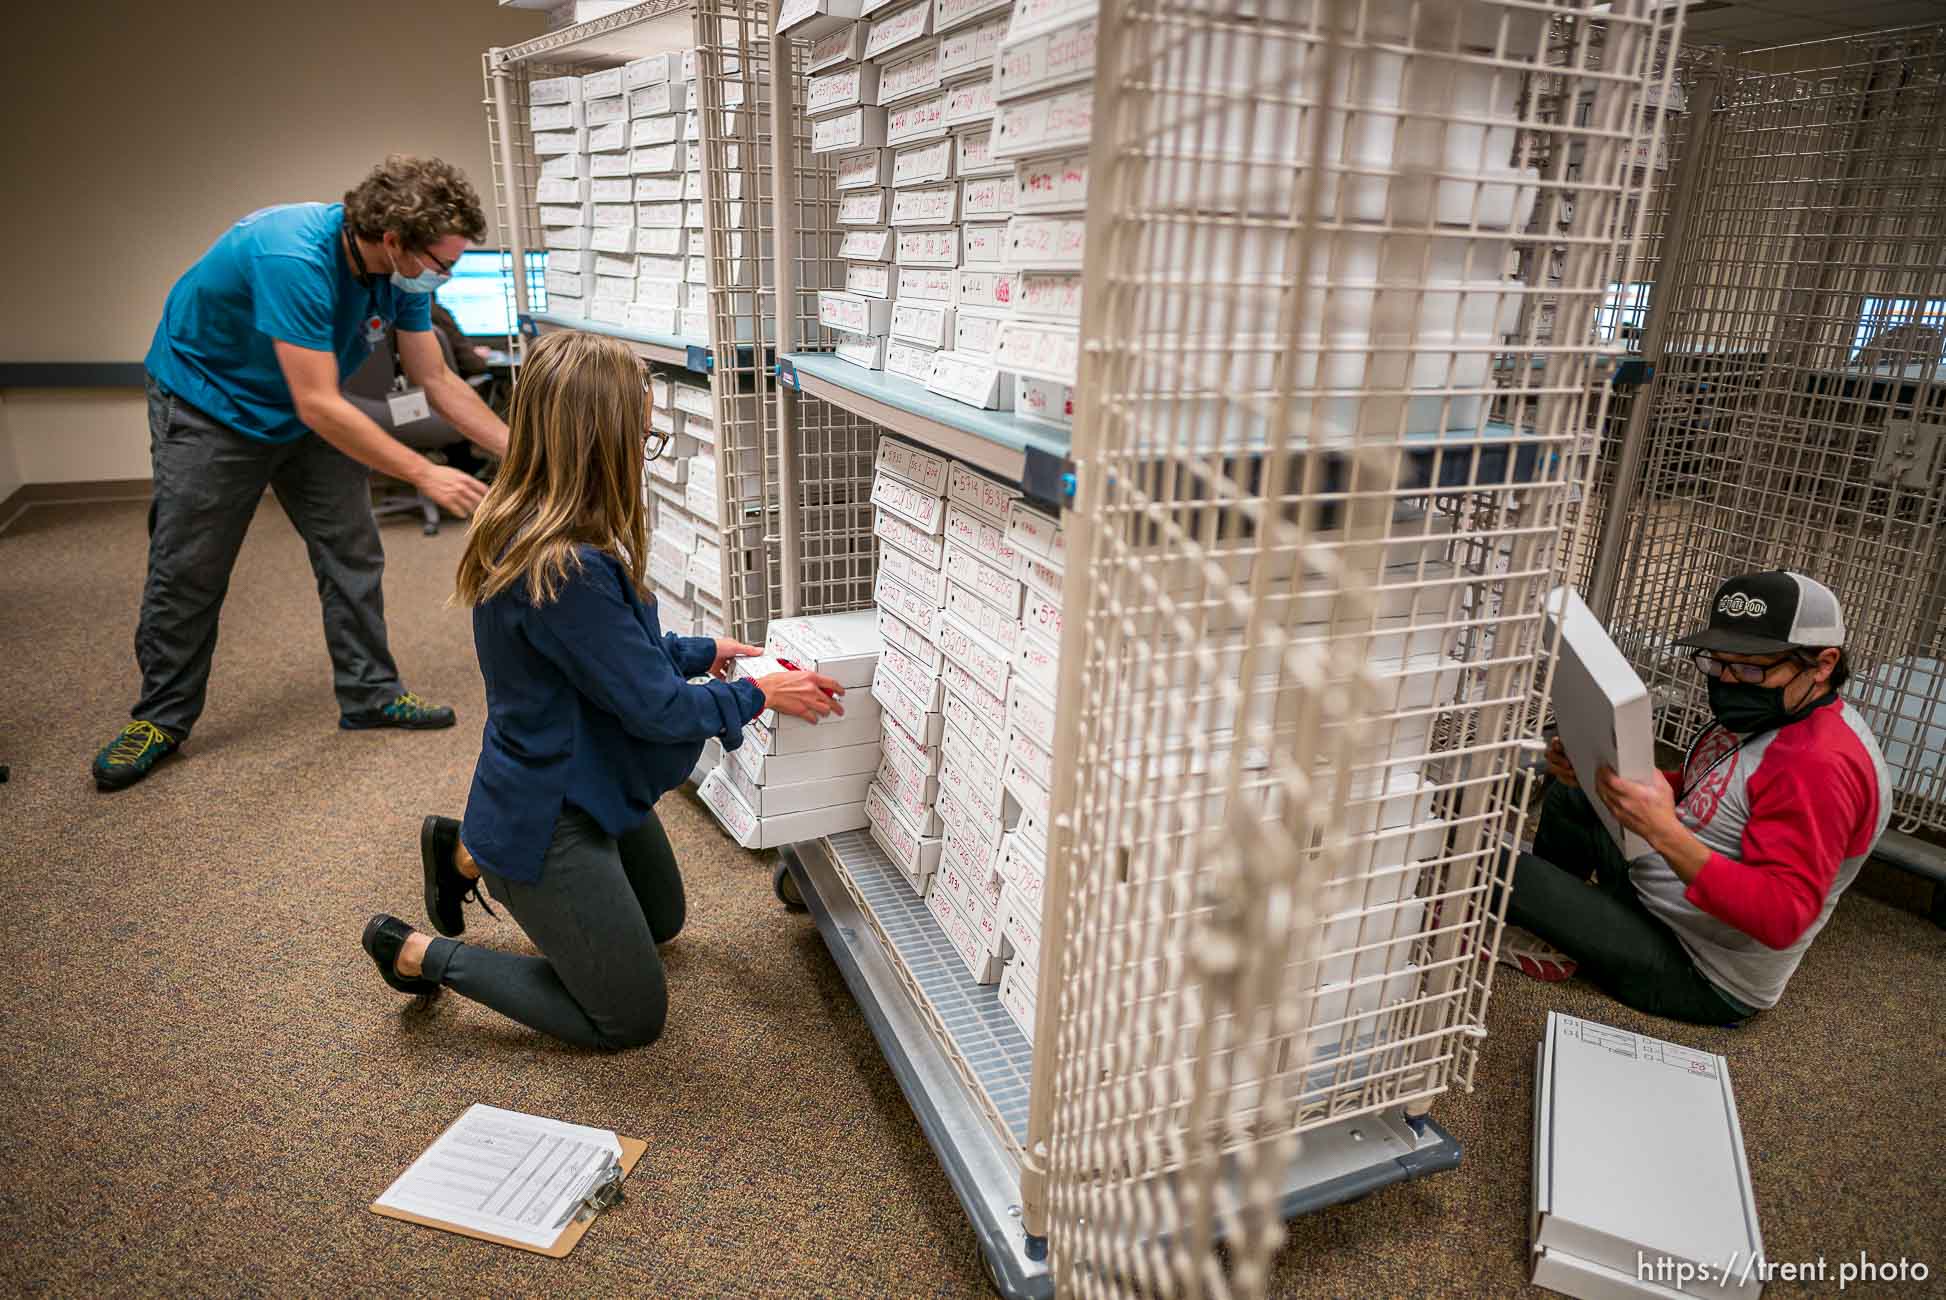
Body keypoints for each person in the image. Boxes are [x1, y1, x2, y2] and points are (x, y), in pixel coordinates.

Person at [358, 330, 844, 1051]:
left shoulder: (538, 528)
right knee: (629, 1017)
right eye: (641, 438)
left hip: (582, 776)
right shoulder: (567, 566)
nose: (644, 454)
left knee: (661, 922)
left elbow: (603, 659)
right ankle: (420, 953)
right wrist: (760, 694)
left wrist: (700, 651)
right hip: (549, 810)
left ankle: (466, 853)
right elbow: (655, 709)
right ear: (598, 441)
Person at [91, 156, 513, 792]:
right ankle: (161, 719)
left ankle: (371, 694)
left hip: (307, 409)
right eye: (442, 263)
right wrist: (424, 474)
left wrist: (525, 452)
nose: (446, 278)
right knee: (191, 566)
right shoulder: (290, 256)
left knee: (352, 550)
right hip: (211, 406)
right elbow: (319, 404)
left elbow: (436, 379)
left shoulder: (402, 275)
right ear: (394, 239)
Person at [1500, 571, 1891, 1024]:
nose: (1727, 680)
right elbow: (1716, 793)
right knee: (1581, 795)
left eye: (1750, 668)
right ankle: (1542, 925)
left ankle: (1542, 910)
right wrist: (1603, 768)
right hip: (1663, 892)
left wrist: (1662, 831)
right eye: (1716, 663)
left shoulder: (1819, 766)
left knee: (1488, 866)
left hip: (1698, 969)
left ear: (1823, 664)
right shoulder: (1779, 713)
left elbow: (1782, 918)